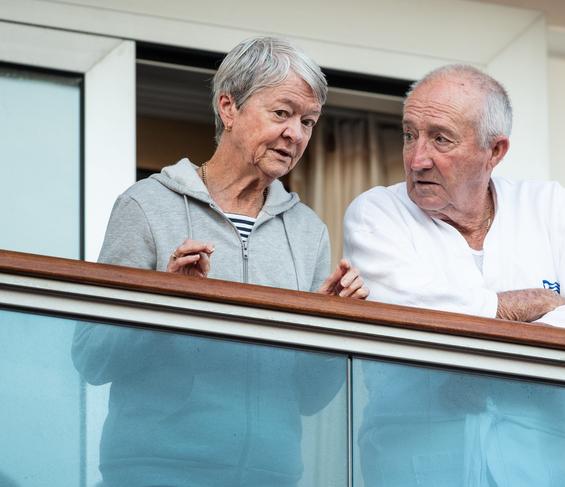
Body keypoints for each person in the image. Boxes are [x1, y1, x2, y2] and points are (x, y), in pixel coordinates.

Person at [73, 36, 367, 487]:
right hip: (155, 471)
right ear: (228, 108)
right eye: (282, 113)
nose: (296, 134)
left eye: (308, 121)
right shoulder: (146, 206)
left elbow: (310, 397)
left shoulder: (309, 232)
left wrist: (332, 327)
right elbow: (92, 358)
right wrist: (165, 298)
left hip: (270, 476)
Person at [344, 65, 565, 486]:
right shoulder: (377, 213)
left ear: (495, 151)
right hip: (413, 471)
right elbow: (414, 317)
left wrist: (475, 359)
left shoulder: (553, 207)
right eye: (410, 134)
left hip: (537, 475)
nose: (416, 158)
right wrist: (535, 306)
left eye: (440, 138)